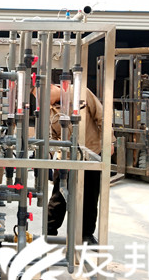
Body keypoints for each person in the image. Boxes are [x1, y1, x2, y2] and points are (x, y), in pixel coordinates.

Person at [46, 83, 114, 245]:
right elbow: (51, 136)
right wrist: (52, 155)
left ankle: (86, 234)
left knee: (90, 197)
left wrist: (109, 141)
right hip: (66, 157)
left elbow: (101, 116)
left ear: (51, 87)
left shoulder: (81, 92)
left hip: (91, 153)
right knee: (58, 197)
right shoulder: (48, 109)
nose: (42, 100)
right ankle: (49, 232)